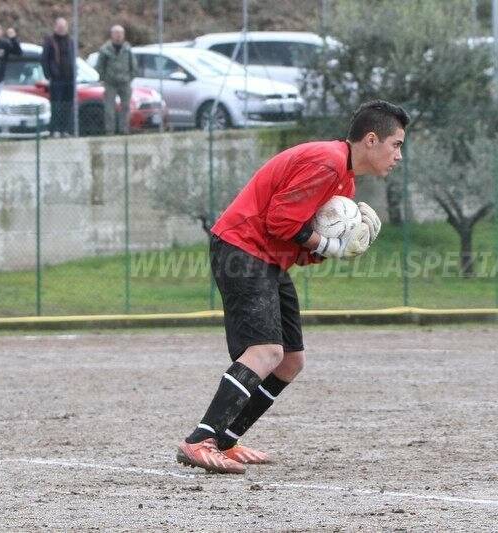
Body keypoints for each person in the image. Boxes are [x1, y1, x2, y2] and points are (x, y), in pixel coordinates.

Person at [176, 100, 408, 474]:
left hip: (267, 256)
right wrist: (330, 244)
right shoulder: (328, 162)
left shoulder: (344, 178)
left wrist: (340, 247)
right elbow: (281, 221)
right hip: (243, 248)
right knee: (265, 350)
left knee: (289, 361)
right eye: (396, 144)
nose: (399, 154)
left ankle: (225, 441)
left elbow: (297, 241)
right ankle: (200, 440)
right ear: (370, 139)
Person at [95, 25, 138, 135]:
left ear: (123, 35)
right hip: (110, 83)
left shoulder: (127, 49)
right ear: (112, 34)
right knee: (109, 108)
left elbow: (133, 65)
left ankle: (124, 129)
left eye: (120, 33)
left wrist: (129, 77)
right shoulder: (105, 50)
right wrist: (104, 78)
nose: (118, 35)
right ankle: (110, 130)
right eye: (116, 33)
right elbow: (99, 66)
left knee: (126, 107)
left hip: (125, 82)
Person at [41, 18, 76, 137]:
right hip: (56, 79)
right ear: (55, 27)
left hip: (69, 78)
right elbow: (44, 59)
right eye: (59, 27)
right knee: (56, 105)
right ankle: (55, 129)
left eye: (64, 26)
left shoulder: (71, 41)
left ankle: (65, 129)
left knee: (68, 104)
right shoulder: (50, 41)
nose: (62, 29)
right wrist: (49, 74)